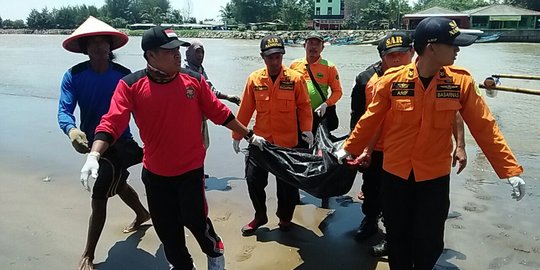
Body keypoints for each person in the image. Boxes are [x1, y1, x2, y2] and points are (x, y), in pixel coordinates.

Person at [336, 17, 526, 269]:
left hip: (433, 178)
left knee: (430, 241)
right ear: (432, 47)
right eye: (453, 44)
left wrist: (509, 171)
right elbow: (370, 119)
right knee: (397, 236)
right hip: (395, 175)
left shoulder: (460, 82)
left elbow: (485, 127)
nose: (457, 50)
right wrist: (349, 147)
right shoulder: (392, 81)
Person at [79, 26, 261, 270]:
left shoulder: (194, 80)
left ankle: (215, 254)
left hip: (191, 172)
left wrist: (248, 134)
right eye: (169, 50)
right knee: (167, 230)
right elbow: (112, 122)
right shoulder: (130, 85)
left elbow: (219, 112)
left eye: (178, 49)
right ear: (150, 56)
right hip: (156, 175)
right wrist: (94, 154)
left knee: (196, 222)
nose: (177, 55)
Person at [350, 31, 467, 257]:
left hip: (409, 153)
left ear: (413, 52)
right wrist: (360, 147)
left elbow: (453, 112)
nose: (396, 60)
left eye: (402, 54)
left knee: (408, 205)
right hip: (377, 148)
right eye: (391, 56)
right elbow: (365, 118)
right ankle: (371, 223)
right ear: (382, 57)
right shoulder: (369, 80)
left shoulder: (443, 78)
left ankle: (397, 241)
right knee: (372, 189)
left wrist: (460, 144)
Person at [57, 16, 150, 270]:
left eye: (103, 42)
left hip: (121, 145)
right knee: (116, 184)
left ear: (111, 47)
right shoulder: (73, 75)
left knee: (100, 194)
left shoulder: (124, 76)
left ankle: (88, 254)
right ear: (85, 48)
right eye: (93, 43)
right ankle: (142, 214)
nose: (99, 47)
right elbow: (64, 111)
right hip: (93, 146)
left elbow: (146, 109)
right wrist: (72, 130)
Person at [232, 34, 314, 235]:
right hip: (260, 142)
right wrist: (236, 135)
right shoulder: (254, 79)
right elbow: (245, 109)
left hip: (287, 144)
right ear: (263, 57)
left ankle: (285, 218)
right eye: (271, 57)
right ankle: (260, 215)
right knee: (253, 180)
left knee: (287, 187)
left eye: (278, 56)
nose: (275, 61)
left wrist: (307, 129)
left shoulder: (295, 79)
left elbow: (304, 106)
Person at [290, 31, 343, 208]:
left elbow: (338, 92)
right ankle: (296, 188)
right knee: (299, 151)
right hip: (299, 117)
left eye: (317, 44)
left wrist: (326, 104)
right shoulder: (294, 65)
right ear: (304, 45)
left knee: (323, 153)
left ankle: (325, 192)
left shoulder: (329, 67)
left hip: (321, 116)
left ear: (322, 47)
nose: (313, 47)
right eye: (310, 43)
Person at [184, 40, 241, 158]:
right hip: (188, 118)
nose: (200, 55)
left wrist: (227, 97)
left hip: (201, 116)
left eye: (202, 52)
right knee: (188, 146)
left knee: (203, 144)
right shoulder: (184, 71)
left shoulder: (199, 69)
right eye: (197, 52)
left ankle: (199, 171)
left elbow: (209, 90)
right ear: (188, 54)